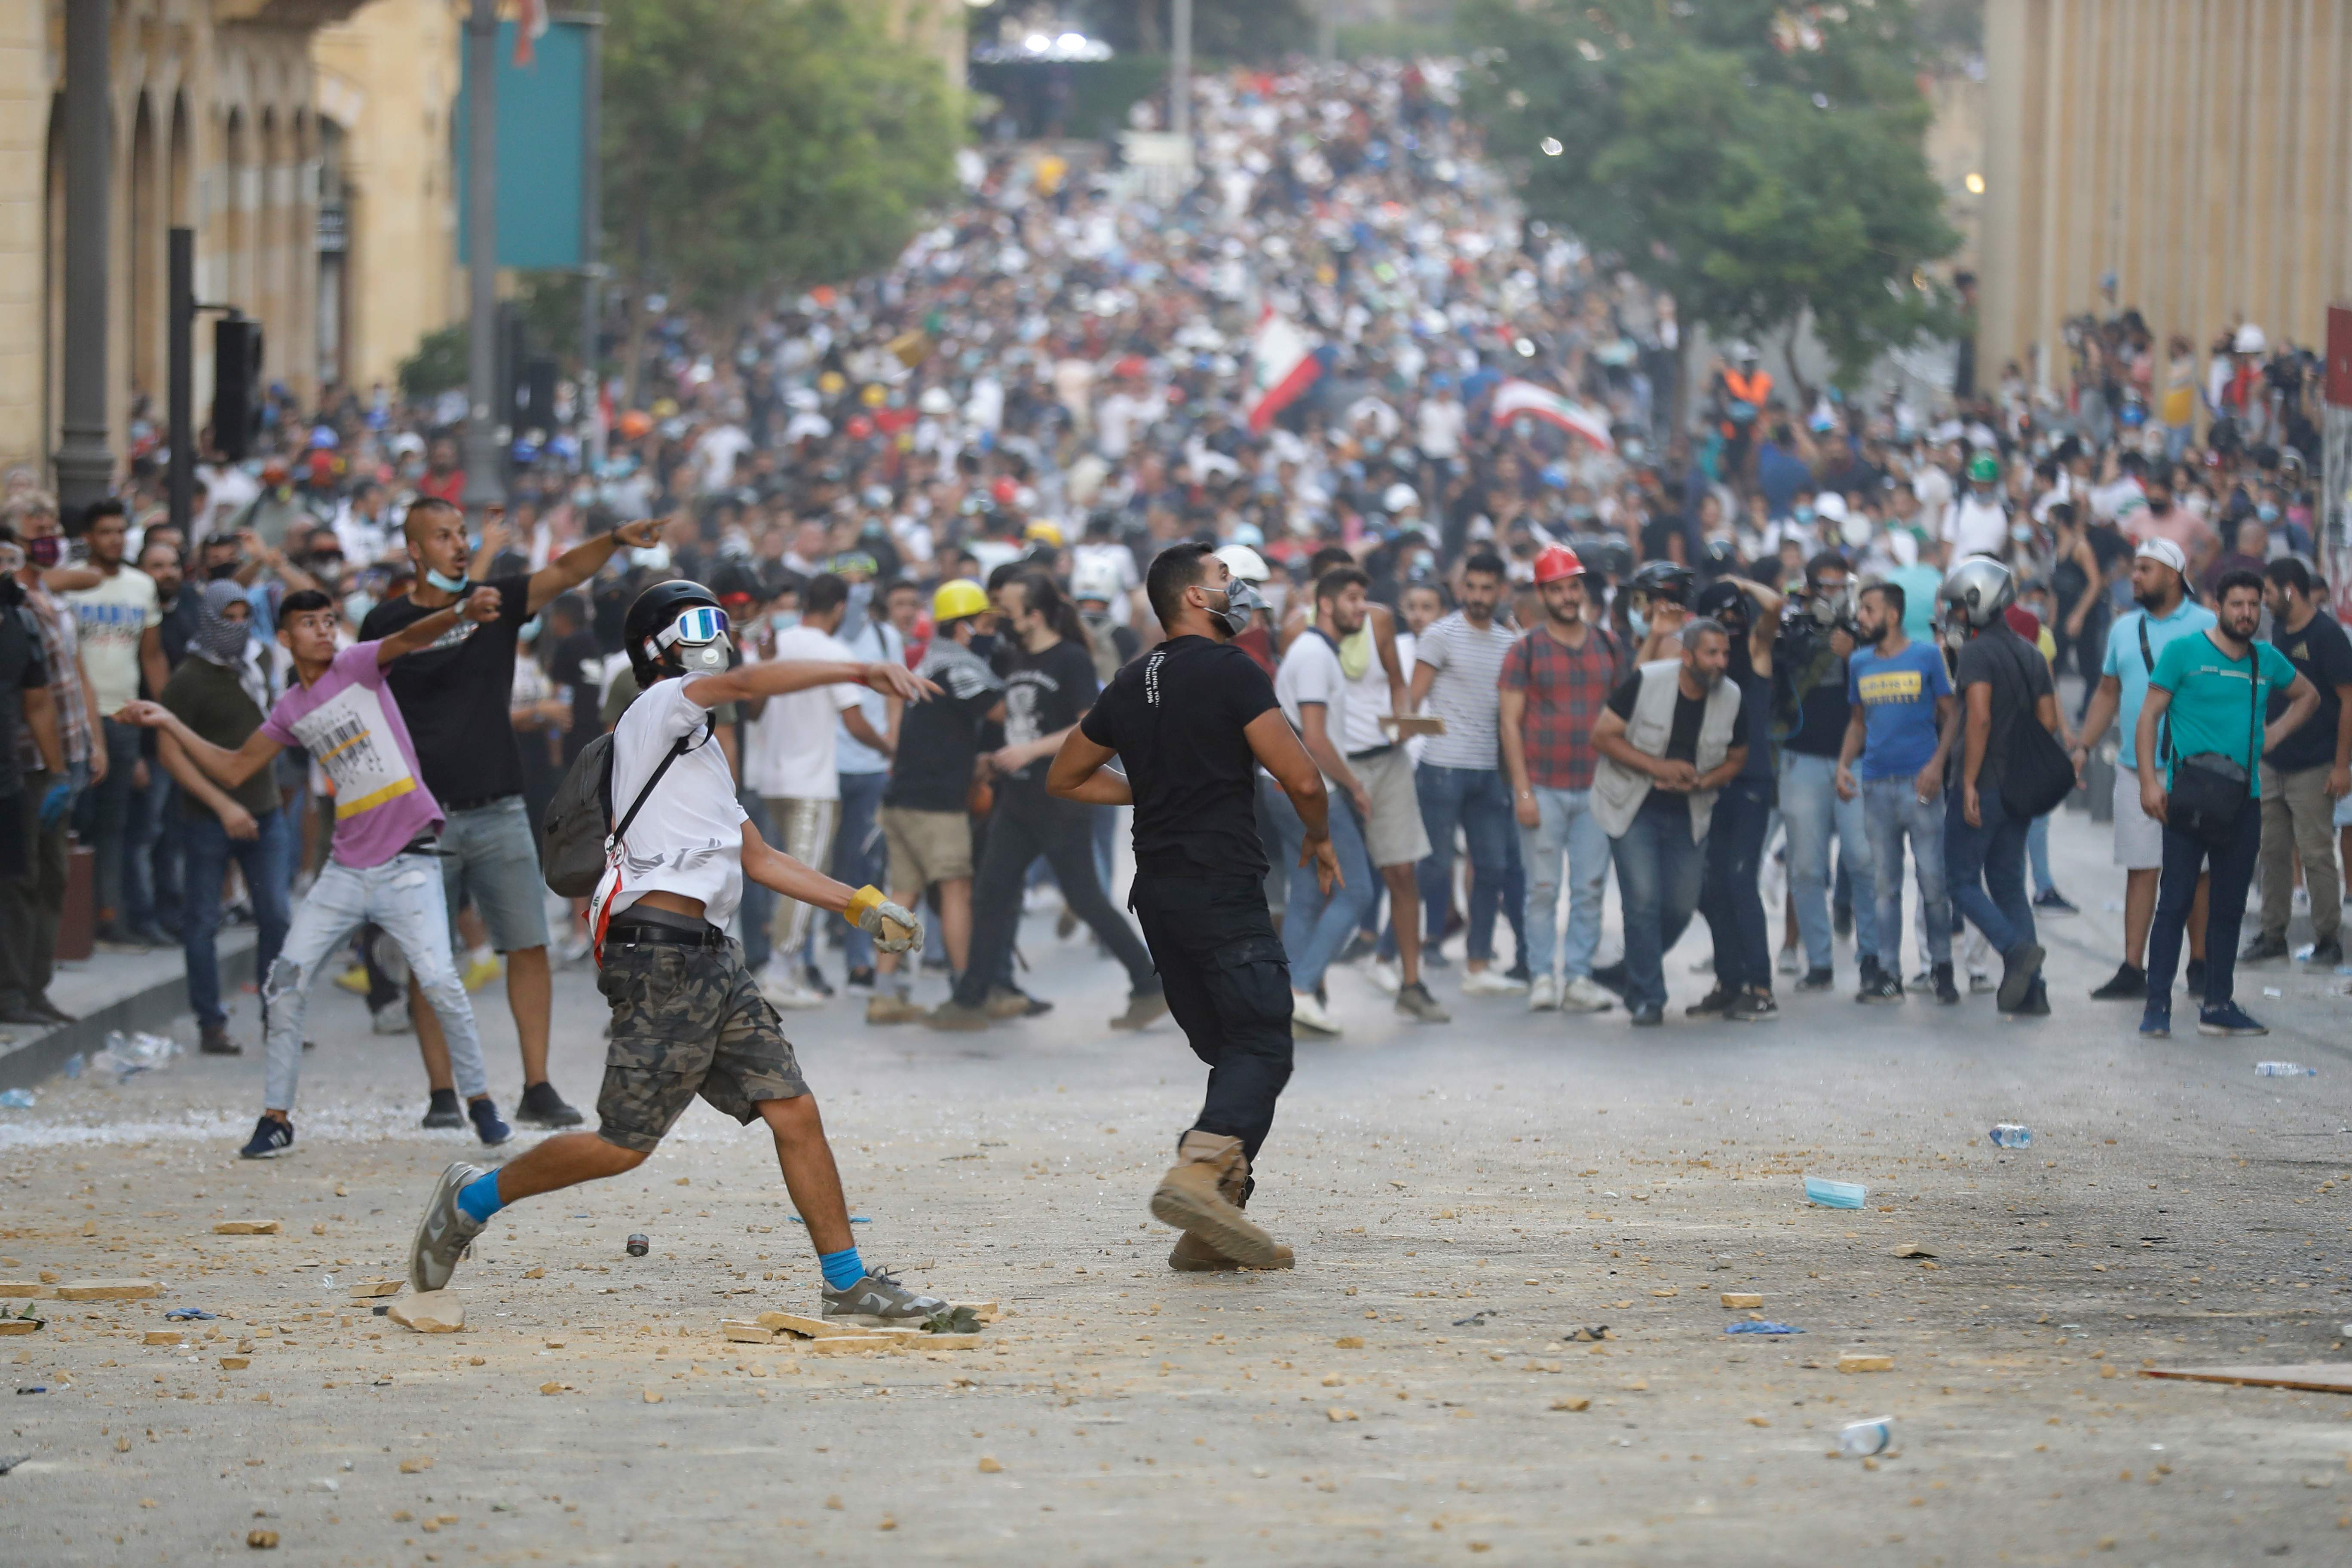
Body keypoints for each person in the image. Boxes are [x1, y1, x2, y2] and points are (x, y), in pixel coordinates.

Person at [403, 579, 956, 1329]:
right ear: (657, 649)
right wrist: (857, 671)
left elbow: (756, 856)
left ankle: (848, 1283)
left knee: (795, 1110)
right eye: (702, 625)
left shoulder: (701, 747)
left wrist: (862, 905)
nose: (719, 638)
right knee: (622, 1145)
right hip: (659, 957)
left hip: (714, 959)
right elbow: (752, 680)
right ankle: (469, 1199)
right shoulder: (659, 705)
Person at [116, 588, 513, 1160]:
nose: (325, 630)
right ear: (285, 638)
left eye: (329, 621)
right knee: (285, 983)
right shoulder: (290, 708)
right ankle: (276, 1118)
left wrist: (459, 613)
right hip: (347, 869)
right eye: (310, 624)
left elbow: (406, 638)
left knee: (442, 983)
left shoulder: (357, 666)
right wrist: (169, 722)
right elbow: (233, 767)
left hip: (409, 860)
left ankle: (480, 1103)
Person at [1047, 542, 1333, 1272]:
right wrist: (1322, 837)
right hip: (1222, 887)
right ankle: (1196, 1175)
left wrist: (1151, 784)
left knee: (1235, 1050)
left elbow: (1067, 776)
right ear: (1194, 599)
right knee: (1264, 1039)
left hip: (1160, 900)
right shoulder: (1234, 671)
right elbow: (1301, 777)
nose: (1235, 586)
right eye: (1221, 577)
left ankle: (1210, 1227)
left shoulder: (1131, 677)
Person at [361, 499, 672, 1127]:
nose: (457, 544)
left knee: (528, 945)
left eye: (462, 535)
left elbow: (562, 575)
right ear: (415, 550)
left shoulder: (496, 604)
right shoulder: (387, 622)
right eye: (442, 537)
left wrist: (613, 538)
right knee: (430, 957)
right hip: (423, 817)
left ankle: (537, 1085)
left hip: (500, 806)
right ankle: (443, 1094)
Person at [932, 571, 1165, 1031]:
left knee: (1086, 899)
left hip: (1059, 798)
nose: (1004, 619)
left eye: (1011, 611)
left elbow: (1090, 727)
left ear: (1035, 616)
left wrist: (1031, 750)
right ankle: (972, 997)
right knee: (992, 893)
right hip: (1017, 798)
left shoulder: (1072, 660)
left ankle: (1150, 983)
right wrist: (996, 758)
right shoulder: (1016, 657)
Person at [2135, 569, 2320, 1038]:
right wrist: (2148, 784)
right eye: (2237, 605)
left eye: (2254, 606)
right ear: (2219, 606)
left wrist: (2273, 735)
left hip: (2244, 802)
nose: (2246, 614)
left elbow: (2309, 696)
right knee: (2174, 902)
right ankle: (2156, 1005)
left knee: (2229, 908)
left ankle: (2217, 1004)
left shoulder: (2266, 659)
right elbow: (2149, 716)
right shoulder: (2184, 653)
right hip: (2189, 799)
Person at [2069, 539, 2217, 1000]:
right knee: (2140, 867)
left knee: (2199, 872)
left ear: (2173, 576)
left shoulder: (2208, 625)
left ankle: (2201, 964)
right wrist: (2083, 746)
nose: (2134, 577)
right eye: (2135, 569)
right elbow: (2107, 693)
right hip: (2137, 769)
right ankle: (2133, 967)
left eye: (2145, 570)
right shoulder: (2122, 628)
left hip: (2196, 769)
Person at [1588, 618, 1749, 1026]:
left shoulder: (1731, 697)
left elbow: (1737, 757)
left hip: (1690, 814)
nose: (1720, 662)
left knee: (1679, 906)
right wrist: (1657, 767)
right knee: (1641, 902)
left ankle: (1630, 972)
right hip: (1633, 806)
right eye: (1711, 653)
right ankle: (1648, 997)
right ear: (1688, 655)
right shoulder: (1648, 680)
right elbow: (1603, 735)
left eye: (1725, 654)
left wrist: (1703, 781)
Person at [155, 583, 291, 1057]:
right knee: (202, 923)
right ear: (210, 620)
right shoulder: (188, 680)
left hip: (266, 811)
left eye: (243, 615)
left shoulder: (258, 664)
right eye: (227, 617)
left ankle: (280, 1018)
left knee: (276, 914)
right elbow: (171, 754)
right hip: (208, 819)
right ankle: (211, 1023)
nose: (237, 626)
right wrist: (223, 805)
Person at [743, 572, 888, 1008]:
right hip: (812, 788)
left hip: (770, 781)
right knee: (804, 881)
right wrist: (890, 749)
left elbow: (750, 708)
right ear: (841, 609)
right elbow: (856, 721)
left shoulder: (775, 647)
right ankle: (780, 972)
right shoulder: (833, 654)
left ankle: (782, 967)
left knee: (779, 877)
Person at [866, 579, 1001, 1023]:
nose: (989, 631)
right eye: (983, 622)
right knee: (957, 889)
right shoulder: (960, 667)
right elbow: (1001, 710)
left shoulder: (930, 661)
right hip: (936, 804)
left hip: (902, 797)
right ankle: (964, 992)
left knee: (903, 895)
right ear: (963, 627)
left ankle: (884, 994)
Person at [1498, 545, 1621, 1014]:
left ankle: (1579, 978)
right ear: (1543, 594)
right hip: (1544, 788)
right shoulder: (1525, 650)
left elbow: (1622, 713)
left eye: (1573, 586)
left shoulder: (1608, 646)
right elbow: (1509, 723)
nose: (1568, 596)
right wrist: (1523, 791)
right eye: (1558, 588)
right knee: (1543, 889)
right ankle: (1542, 977)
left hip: (1596, 787)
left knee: (1590, 888)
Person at [1939, 557, 2057, 1016]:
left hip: (1983, 785)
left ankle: (2013, 950)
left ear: (1978, 602)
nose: (1954, 616)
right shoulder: (2031, 652)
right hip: (2019, 789)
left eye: (1958, 607)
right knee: (2009, 885)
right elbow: (2048, 721)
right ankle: (2034, 992)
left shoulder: (1976, 654)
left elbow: (1980, 717)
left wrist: (1967, 781)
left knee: (1962, 881)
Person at [1265, 566, 1379, 1035]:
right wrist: (1354, 786)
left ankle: (1290, 999)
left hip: (1287, 788)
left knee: (1310, 896)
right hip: (1310, 791)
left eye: (1364, 599)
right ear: (1326, 605)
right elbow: (1314, 738)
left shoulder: (1316, 653)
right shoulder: (1314, 654)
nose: (1362, 608)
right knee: (1358, 893)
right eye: (1352, 598)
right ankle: (1303, 990)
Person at [1835, 582, 1960, 1004]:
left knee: (1933, 882)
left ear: (1892, 615)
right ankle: (1889, 972)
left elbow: (1952, 715)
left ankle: (1942, 967)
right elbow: (1858, 722)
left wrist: (1937, 765)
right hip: (1876, 784)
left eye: (1868, 610)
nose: (1861, 618)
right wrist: (1843, 764)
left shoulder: (1927, 656)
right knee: (1884, 885)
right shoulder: (1859, 663)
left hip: (1919, 784)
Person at [1408, 550, 1525, 993]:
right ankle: (1392, 952)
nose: (1478, 597)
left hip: (1489, 772)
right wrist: (1432, 736)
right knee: (1434, 869)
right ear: (1461, 590)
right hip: (1441, 768)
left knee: (1491, 868)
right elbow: (1412, 704)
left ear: (1501, 591)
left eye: (1486, 589)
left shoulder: (1510, 644)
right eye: (1471, 588)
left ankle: (1477, 966)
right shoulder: (1440, 635)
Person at [1772, 551, 1882, 993]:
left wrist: (1857, 652)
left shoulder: (1867, 633)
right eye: (1826, 587)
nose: (1834, 596)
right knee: (1805, 866)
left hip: (1854, 760)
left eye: (1842, 587)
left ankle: (1872, 955)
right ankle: (1818, 960)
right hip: (1801, 757)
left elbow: (1886, 678)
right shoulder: (1792, 630)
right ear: (1811, 588)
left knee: (1862, 858)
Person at [64, 498, 168, 946]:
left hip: (124, 717)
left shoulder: (141, 586)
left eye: (119, 531)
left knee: (116, 823)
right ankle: (72, 921)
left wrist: (164, 717)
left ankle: (110, 915)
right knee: (73, 817)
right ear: (88, 537)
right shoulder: (69, 587)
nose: (114, 539)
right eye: (104, 531)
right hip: (75, 721)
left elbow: (152, 655)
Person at [2243, 557, 2352, 967]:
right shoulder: (2279, 635)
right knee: (2271, 852)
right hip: (2273, 762)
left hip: (2314, 764)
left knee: (2316, 853)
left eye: (2268, 593)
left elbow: (2348, 701)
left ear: (2289, 589)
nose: (2264, 602)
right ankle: (2273, 934)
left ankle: (2328, 939)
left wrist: (2342, 766)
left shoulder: (2327, 636)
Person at [1686, 575, 1783, 1021]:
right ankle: (1729, 980)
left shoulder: (1754, 652)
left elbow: (1775, 605)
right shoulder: (1700, 662)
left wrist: (1740, 582)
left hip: (1750, 783)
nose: (1731, 623)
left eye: (1736, 613)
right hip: (1709, 784)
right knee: (1709, 887)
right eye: (1720, 618)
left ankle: (1760, 986)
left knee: (1741, 881)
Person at [0, 528, 64, 1027]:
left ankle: (14, 994)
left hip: (9, 776)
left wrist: (59, 774)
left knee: (19, 884)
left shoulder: (19, 621)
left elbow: (38, 701)